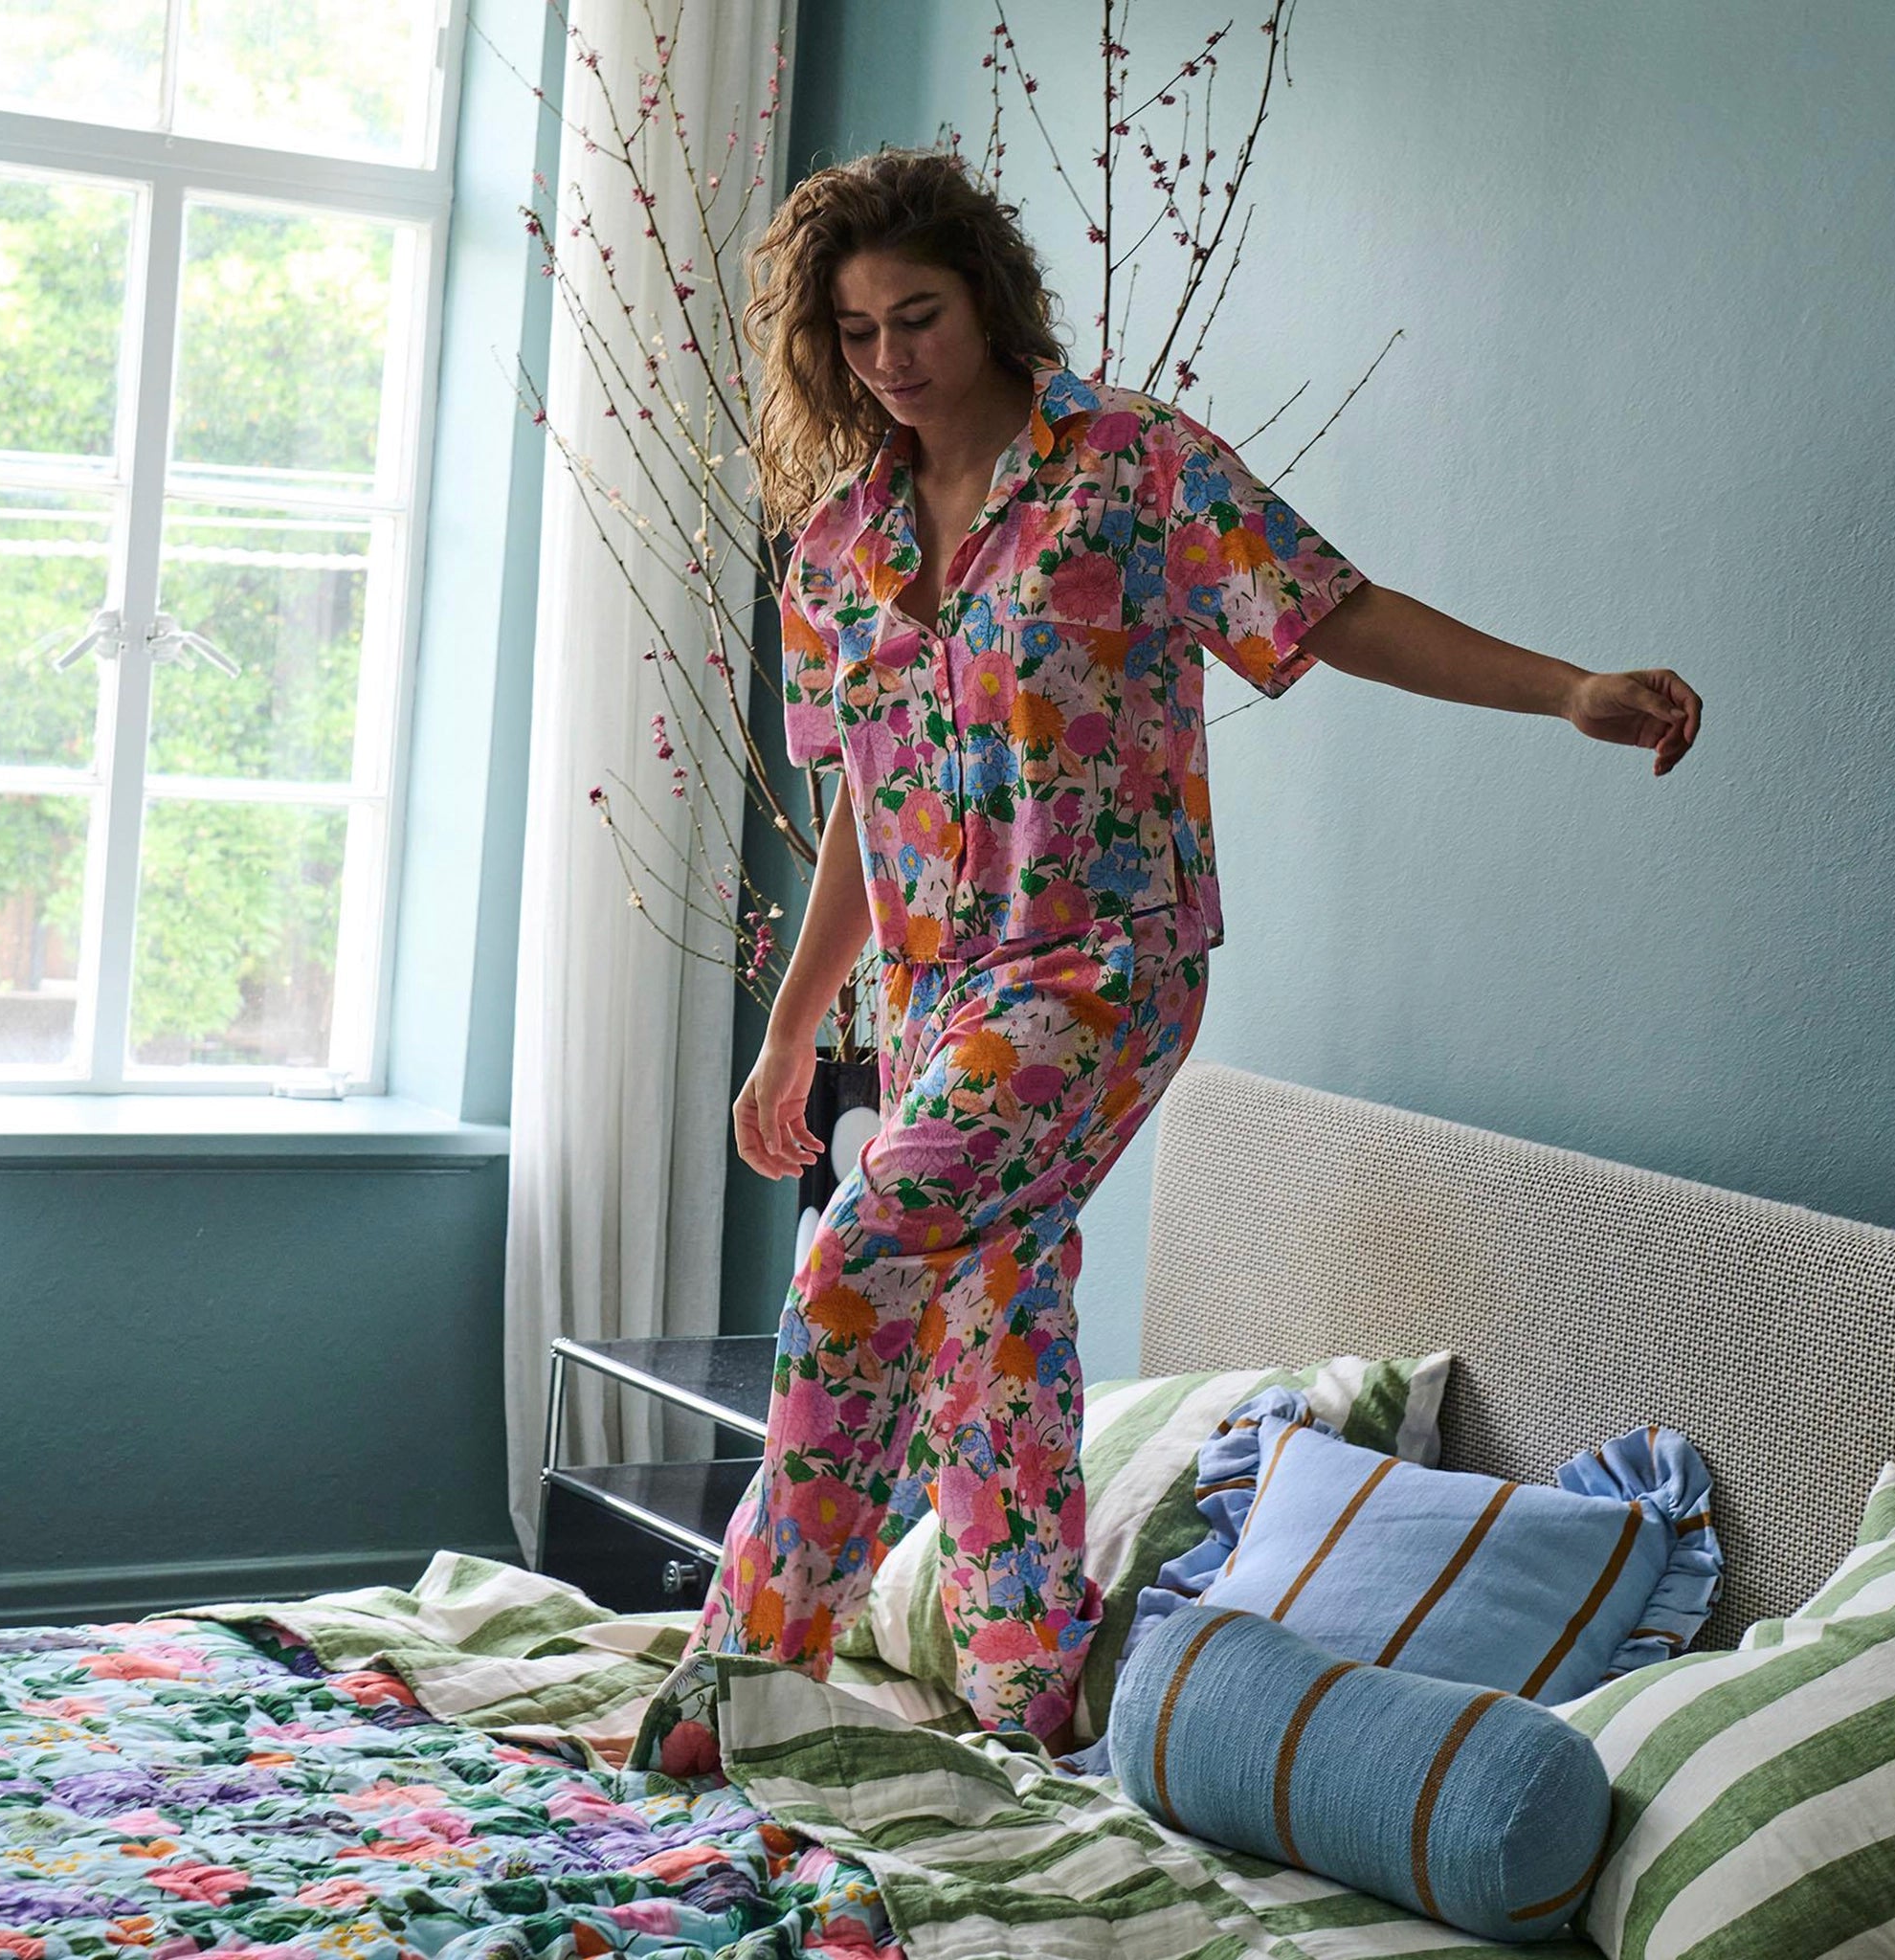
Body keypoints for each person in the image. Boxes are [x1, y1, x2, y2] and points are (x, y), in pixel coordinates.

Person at [677, 147, 1702, 1757]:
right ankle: (1031, 1697)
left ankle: (740, 1673)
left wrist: (1566, 688)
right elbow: (871, 822)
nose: (890, 359)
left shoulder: (1128, 469)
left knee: (861, 1255)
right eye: (857, 331)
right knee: (989, 1326)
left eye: (920, 316)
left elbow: (1333, 610)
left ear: (992, 302)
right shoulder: (839, 545)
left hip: (1103, 968)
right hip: (938, 993)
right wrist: (797, 1032)